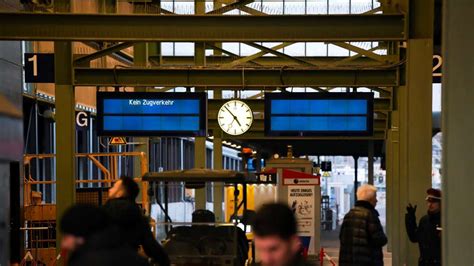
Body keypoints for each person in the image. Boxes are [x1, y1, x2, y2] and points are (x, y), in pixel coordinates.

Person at [104, 176, 170, 266]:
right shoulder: (136, 215)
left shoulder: (103, 212)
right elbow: (150, 245)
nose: (109, 190)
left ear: (120, 193)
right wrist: (165, 261)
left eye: (113, 187)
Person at [59, 204, 149, 266]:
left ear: (80, 235)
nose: (63, 244)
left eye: (66, 237)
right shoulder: (135, 259)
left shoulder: (84, 262)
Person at [339, 184, 387, 266]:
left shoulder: (348, 215)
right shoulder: (370, 215)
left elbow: (342, 238)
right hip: (368, 262)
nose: (376, 200)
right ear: (370, 199)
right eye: (375, 197)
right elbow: (380, 240)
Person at [405, 188, 442, 266]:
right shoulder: (425, 220)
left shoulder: (445, 221)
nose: (430, 204)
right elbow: (414, 238)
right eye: (428, 201)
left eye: (433, 202)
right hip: (424, 262)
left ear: (440, 203)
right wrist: (410, 218)